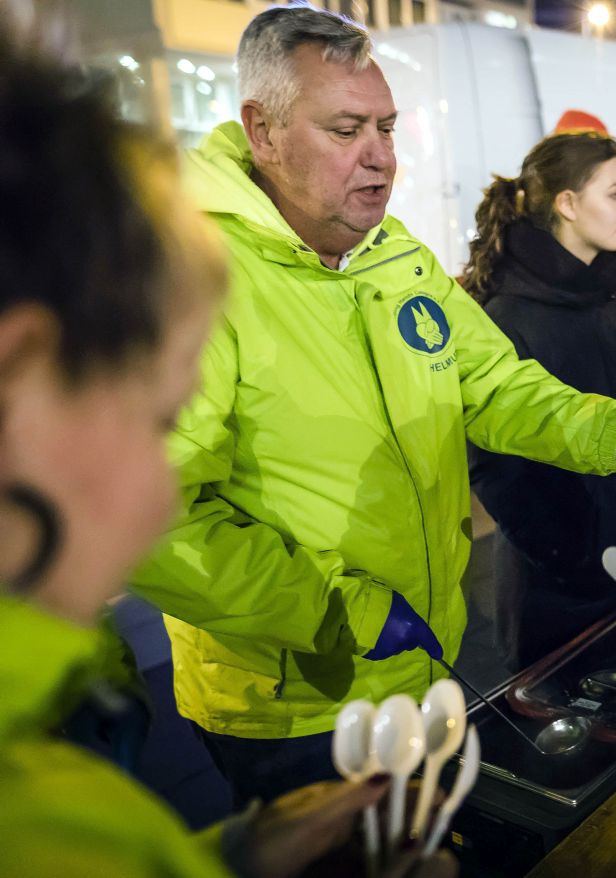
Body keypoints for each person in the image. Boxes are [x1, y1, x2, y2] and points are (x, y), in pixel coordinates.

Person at [130, 5, 616, 807]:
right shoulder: (189, 282)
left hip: (421, 662)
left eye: (388, 129)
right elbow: (153, 514)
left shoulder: (394, 254)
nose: (380, 158)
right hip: (299, 701)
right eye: (346, 130)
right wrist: (335, 611)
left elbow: (498, 388)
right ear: (261, 131)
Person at [0, 11, 452, 877]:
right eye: (154, 422)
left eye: (384, 128)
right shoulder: (44, 815)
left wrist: (234, 858)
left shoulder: (49, 773)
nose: (159, 499)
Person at [463, 131, 616, 670]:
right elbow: (495, 469)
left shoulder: (598, 294)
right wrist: (570, 557)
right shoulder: (508, 313)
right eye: (615, 193)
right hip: (555, 585)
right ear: (568, 204)